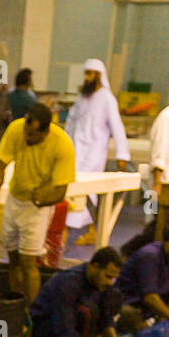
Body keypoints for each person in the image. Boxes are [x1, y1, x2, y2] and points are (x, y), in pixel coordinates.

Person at [0, 102, 76, 305]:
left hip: (38, 208)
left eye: (32, 135)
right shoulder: (16, 129)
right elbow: (0, 159)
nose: (27, 138)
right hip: (14, 200)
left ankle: (31, 313)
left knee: (28, 262)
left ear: (46, 131)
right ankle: (16, 306)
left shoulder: (62, 144)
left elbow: (61, 192)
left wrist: (40, 199)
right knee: (12, 260)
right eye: (26, 133)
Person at [29, 247, 124, 337]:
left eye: (112, 278)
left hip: (70, 329)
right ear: (95, 267)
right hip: (45, 328)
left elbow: (106, 317)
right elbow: (64, 330)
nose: (109, 282)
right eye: (107, 276)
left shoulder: (102, 284)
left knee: (114, 297)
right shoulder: (68, 282)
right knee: (86, 311)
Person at [64, 58, 130, 248]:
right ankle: (67, 229)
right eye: (86, 73)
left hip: (94, 154)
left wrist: (122, 155)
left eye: (90, 74)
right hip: (76, 151)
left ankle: (90, 231)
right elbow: (71, 122)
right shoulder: (82, 98)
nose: (87, 77)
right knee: (71, 191)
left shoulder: (107, 99)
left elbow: (117, 128)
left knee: (89, 194)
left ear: (99, 76)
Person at [114, 221, 169, 330]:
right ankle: (160, 322)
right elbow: (150, 297)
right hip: (128, 302)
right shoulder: (150, 256)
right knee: (132, 317)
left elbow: (163, 285)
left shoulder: (166, 256)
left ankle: (163, 320)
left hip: (142, 301)